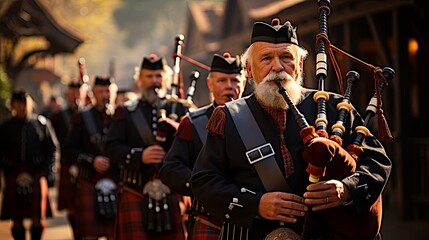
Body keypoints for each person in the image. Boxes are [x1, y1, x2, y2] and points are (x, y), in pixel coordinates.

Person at [190, 18, 392, 240]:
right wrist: (255, 204)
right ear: (248, 69)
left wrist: (346, 189)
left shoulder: (335, 108)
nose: (277, 67)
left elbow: (377, 162)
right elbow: (204, 181)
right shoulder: (228, 117)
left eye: (286, 57)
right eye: (266, 58)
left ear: (300, 66)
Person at [160, 52, 246, 239]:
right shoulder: (193, 123)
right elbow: (170, 169)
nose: (229, 87)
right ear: (210, 84)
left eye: (235, 81)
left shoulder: (255, 120)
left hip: (248, 222)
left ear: (244, 83)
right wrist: (204, 186)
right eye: (222, 81)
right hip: (208, 220)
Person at [106, 54, 187, 239]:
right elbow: (111, 147)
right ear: (140, 80)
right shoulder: (125, 111)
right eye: (149, 76)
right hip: (135, 188)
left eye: (158, 76)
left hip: (172, 189)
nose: (154, 81)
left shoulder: (180, 109)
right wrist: (139, 156)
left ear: (165, 79)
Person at [63, 75, 119, 239]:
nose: (105, 95)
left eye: (108, 91)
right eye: (101, 91)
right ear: (93, 93)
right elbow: (69, 150)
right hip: (90, 179)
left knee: (115, 234)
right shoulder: (81, 117)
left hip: (116, 180)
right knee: (90, 235)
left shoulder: (120, 116)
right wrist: (91, 160)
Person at [0, 90, 57, 240]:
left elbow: (52, 149)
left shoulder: (41, 124)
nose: (22, 107)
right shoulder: (5, 127)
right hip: (14, 173)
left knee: (37, 218)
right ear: (12, 105)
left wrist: (48, 172)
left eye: (25, 103)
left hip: (37, 173)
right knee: (16, 219)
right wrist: (7, 166)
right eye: (18, 103)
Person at [50, 79, 81, 237]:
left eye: (78, 92)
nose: (75, 95)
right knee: (71, 207)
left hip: (85, 164)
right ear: (67, 95)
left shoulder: (88, 114)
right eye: (72, 92)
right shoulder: (58, 116)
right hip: (67, 163)